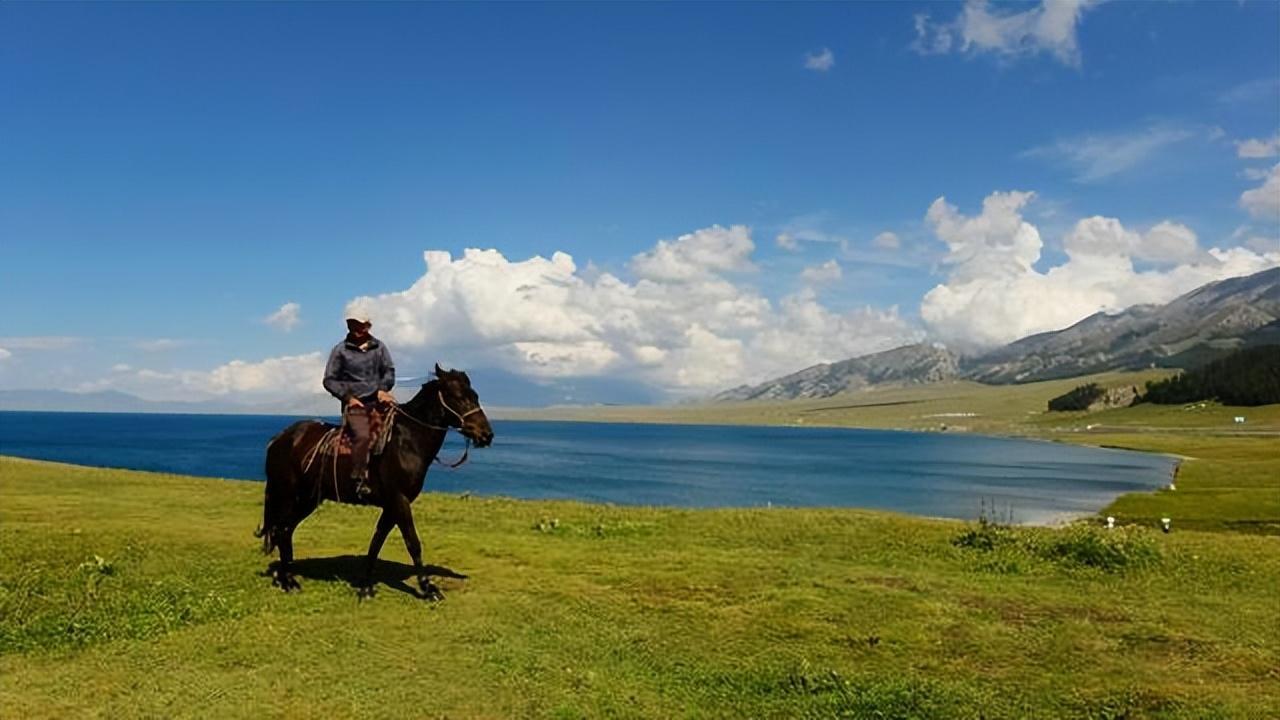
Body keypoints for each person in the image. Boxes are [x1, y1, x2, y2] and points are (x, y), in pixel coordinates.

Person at [322, 312, 396, 497]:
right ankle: (359, 479)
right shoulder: (340, 350)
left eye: (358, 324)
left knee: (401, 429)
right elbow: (329, 380)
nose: (354, 328)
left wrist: (382, 389)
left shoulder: (379, 348)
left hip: (378, 400)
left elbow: (389, 372)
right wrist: (348, 398)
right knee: (362, 436)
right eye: (351, 324)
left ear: (367, 326)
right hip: (355, 404)